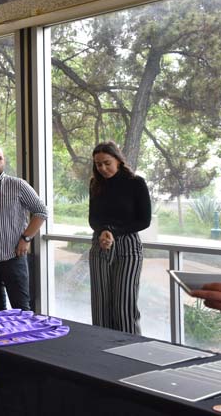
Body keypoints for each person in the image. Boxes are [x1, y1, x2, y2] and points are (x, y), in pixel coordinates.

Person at [0, 145, 48, 311]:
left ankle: (27, 338)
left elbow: (41, 211)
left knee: (21, 310)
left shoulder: (17, 185)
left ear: (4, 161)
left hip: (12, 257)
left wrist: (26, 238)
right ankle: (3, 338)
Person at [89, 141, 151, 334]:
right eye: (99, 164)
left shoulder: (136, 183)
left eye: (107, 162)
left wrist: (113, 232)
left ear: (118, 160)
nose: (103, 168)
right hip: (100, 243)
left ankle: (129, 351)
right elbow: (93, 218)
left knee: (124, 304)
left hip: (128, 246)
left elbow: (144, 220)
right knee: (100, 303)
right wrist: (103, 232)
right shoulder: (95, 184)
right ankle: (101, 349)